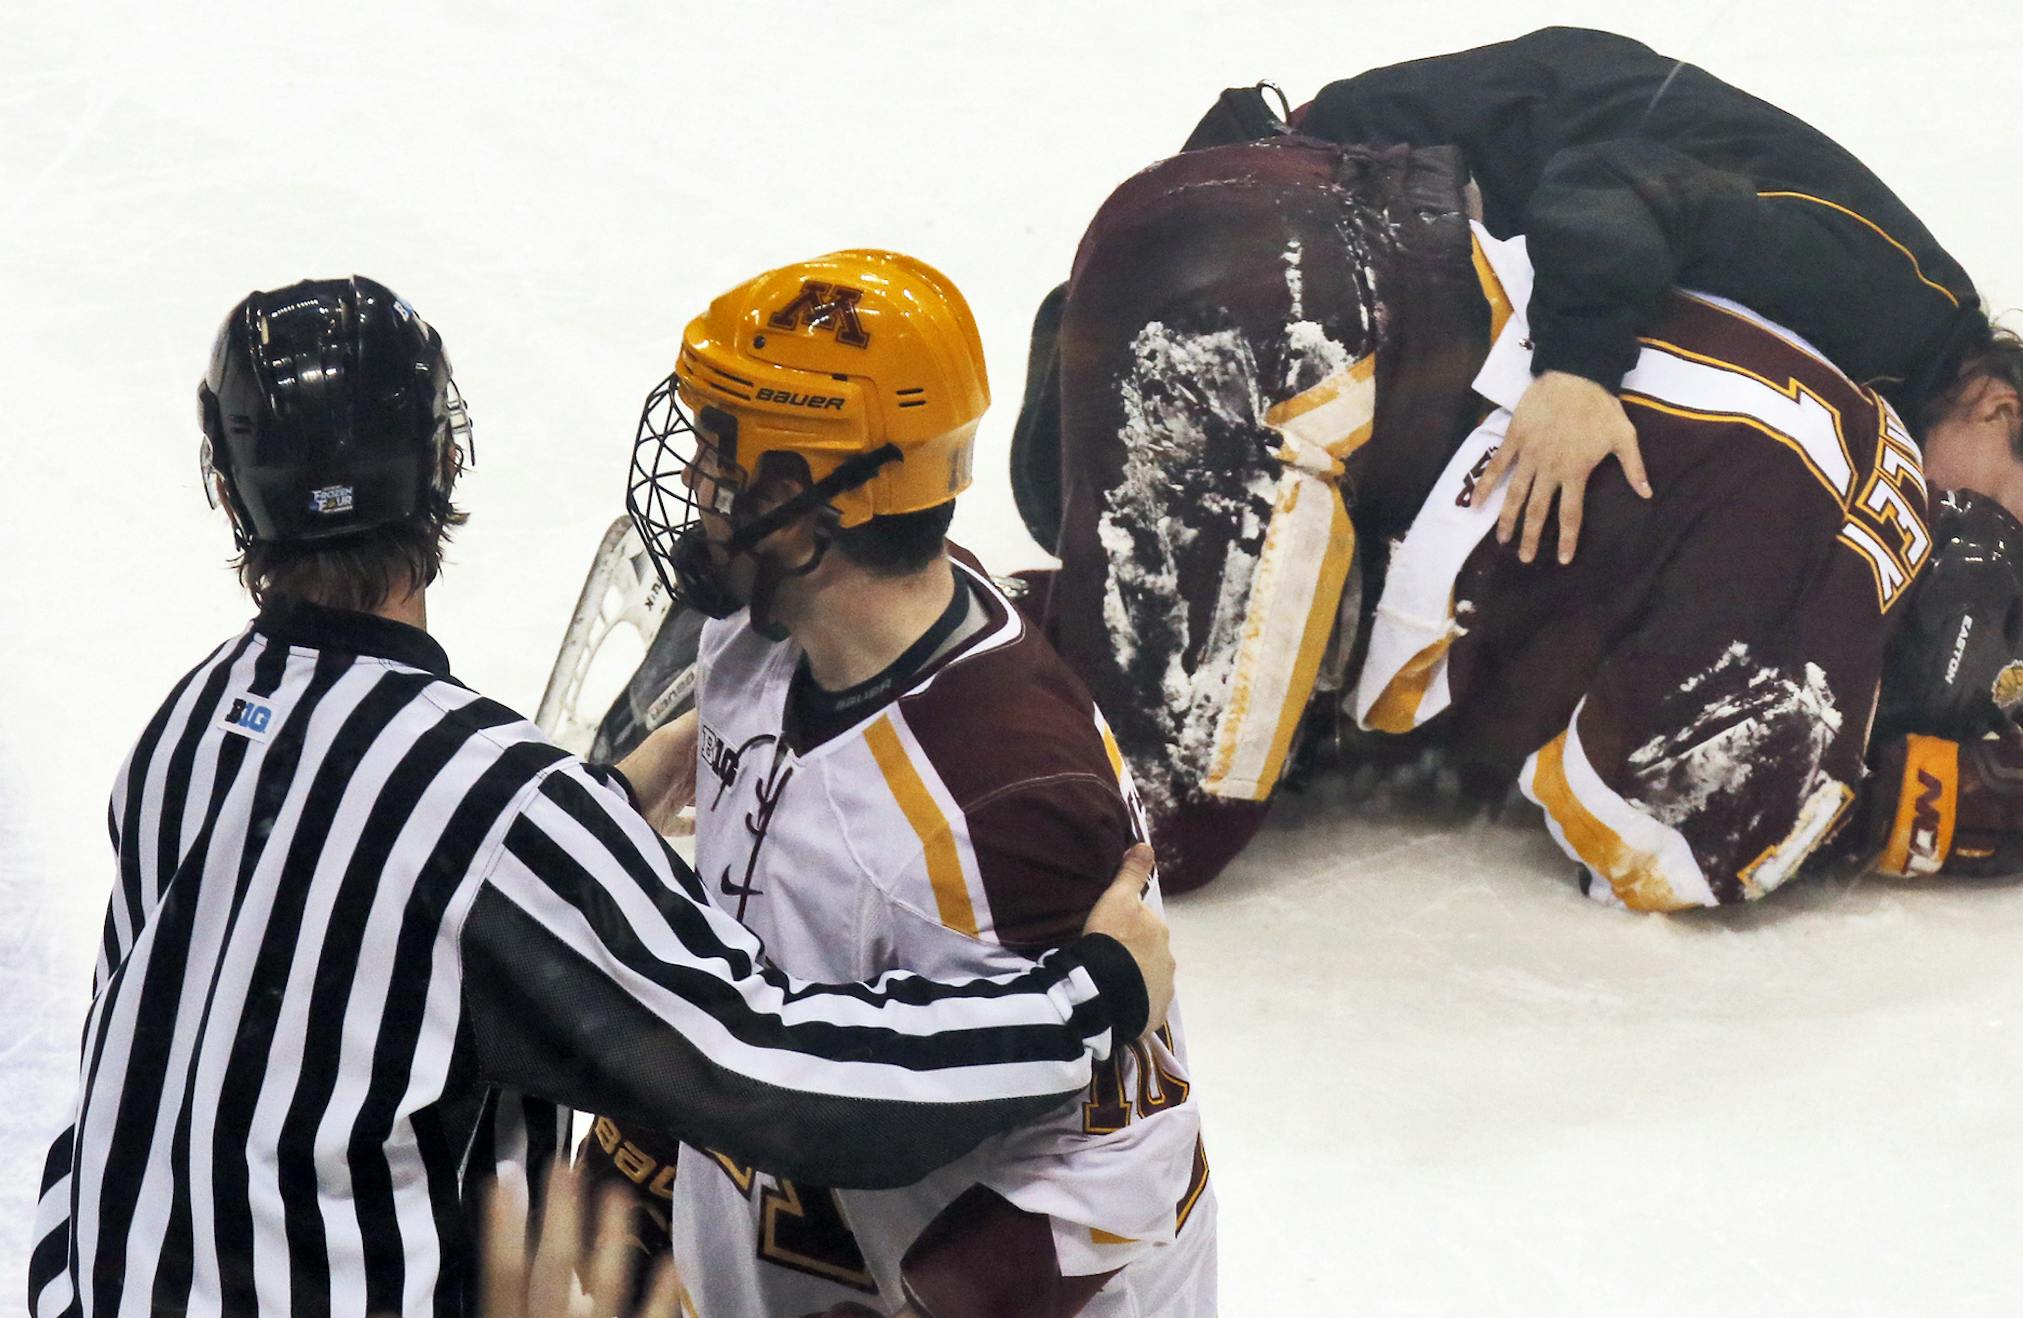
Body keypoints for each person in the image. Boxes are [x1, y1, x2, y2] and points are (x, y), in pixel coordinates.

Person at [26, 276, 1178, 1318]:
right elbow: (769, 1075)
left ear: (232, 497)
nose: (691, 479)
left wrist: (587, 830)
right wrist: (1088, 997)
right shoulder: (492, 808)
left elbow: (305, 955)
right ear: (444, 471)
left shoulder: (181, 731)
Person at [1024, 134, 2023, 906]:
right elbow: (1654, 830)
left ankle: (1064, 499)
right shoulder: (1855, 543)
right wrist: (1902, 808)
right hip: (1286, 322)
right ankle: (910, 636)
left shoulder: (1856, 383)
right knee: (1155, 828)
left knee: (1316, 689)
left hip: (1290, 205)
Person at [578, 252, 1216, 1317]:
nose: (694, 485)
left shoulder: (998, 805)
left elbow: (1124, 1160)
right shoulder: (762, 632)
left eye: (719, 455)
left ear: (801, 506)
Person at [1012, 26, 2023, 625]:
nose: (1951, 529)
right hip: (1346, 193)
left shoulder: (1897, 369)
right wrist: (1578, 373)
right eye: (1979, 504)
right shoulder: (1891, 307)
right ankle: (1110, 339)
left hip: (1411, 220)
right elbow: (1613, 184)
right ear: (2001, 403)